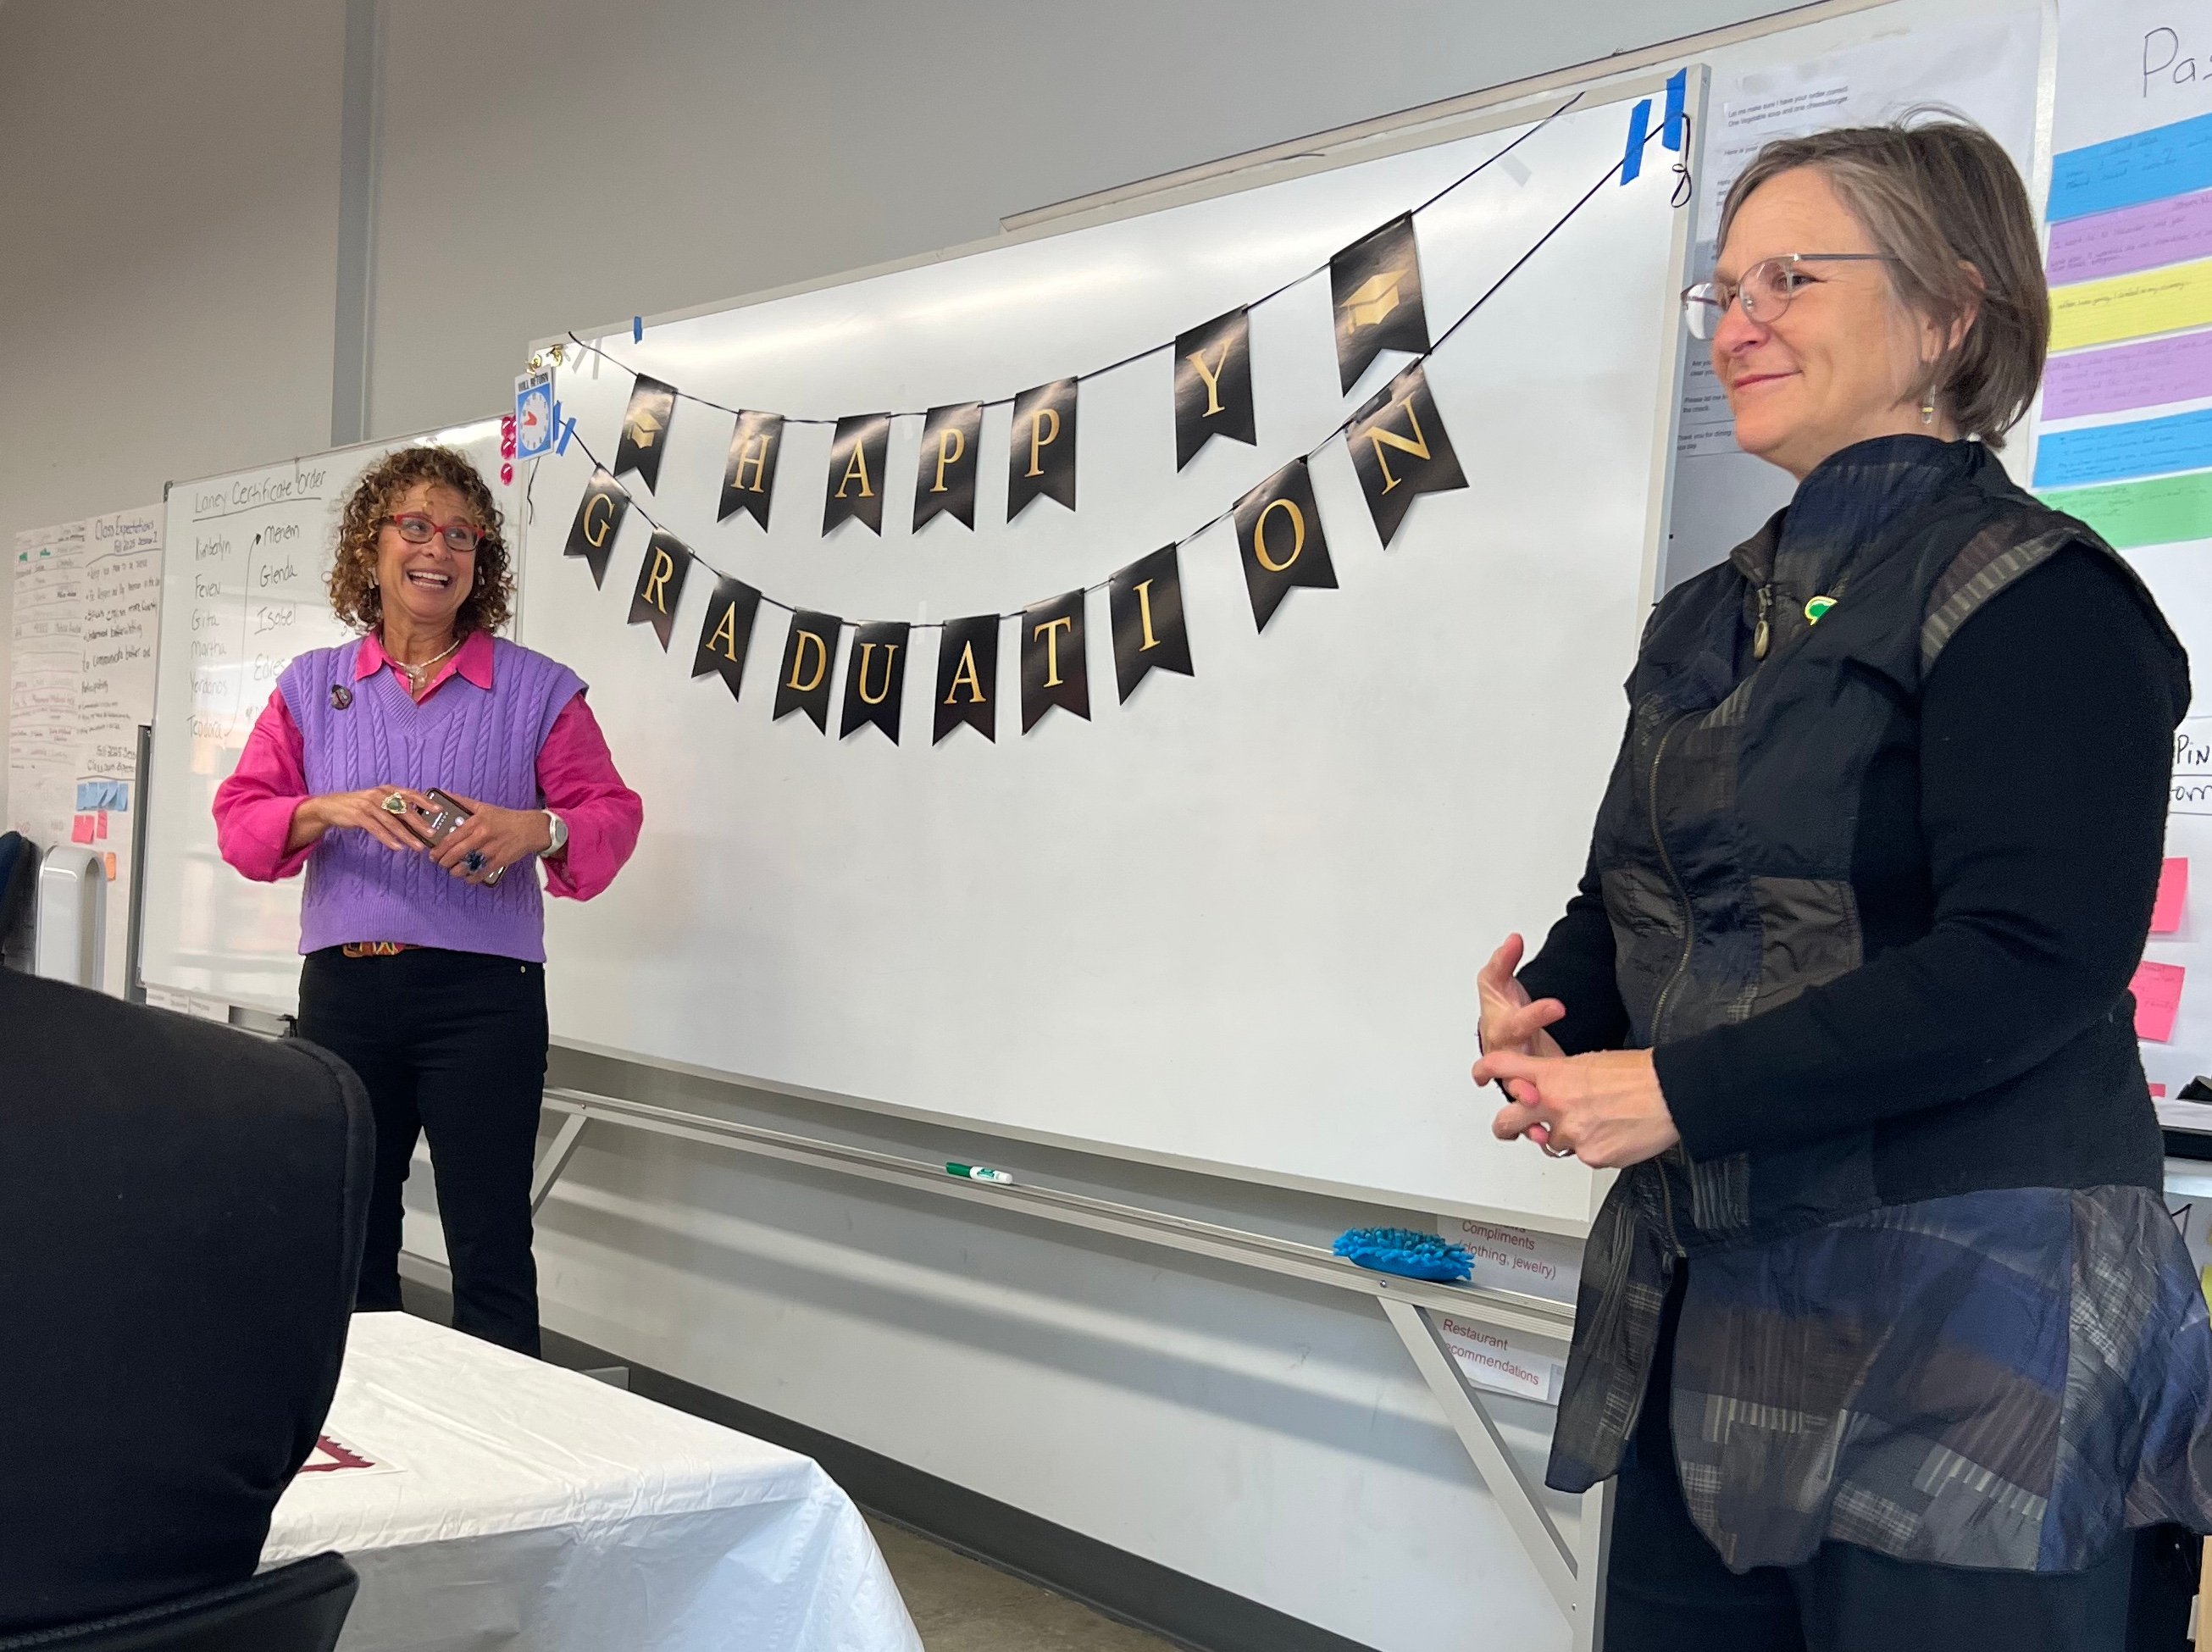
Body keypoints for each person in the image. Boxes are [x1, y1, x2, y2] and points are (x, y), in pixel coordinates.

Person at [1470, 122, 2212, 1649]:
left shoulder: (2038, 596)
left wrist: (1678, 1088)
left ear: (1949, 311)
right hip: (1712, 1315)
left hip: (1974, 1341)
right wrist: (1551, 1010)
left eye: (1790, 278)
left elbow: (2031, 960)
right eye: (1723, 290)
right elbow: (1638, 897)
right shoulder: (1710, 613)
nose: (1735, 324)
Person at [215, 444, 642, 1357]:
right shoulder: (310, 686)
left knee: (490, 1240)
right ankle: (370, 1444)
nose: (437, 549)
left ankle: (508, 1468)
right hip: (347, 996)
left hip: (483, 1003)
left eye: (461, 534)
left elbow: (608, 815)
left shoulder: (537, 689)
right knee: (349, 1231)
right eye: (414, 526)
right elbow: (241, 823)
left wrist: (539, 829)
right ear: (369, 549)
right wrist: (331, 807)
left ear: (479, 561)